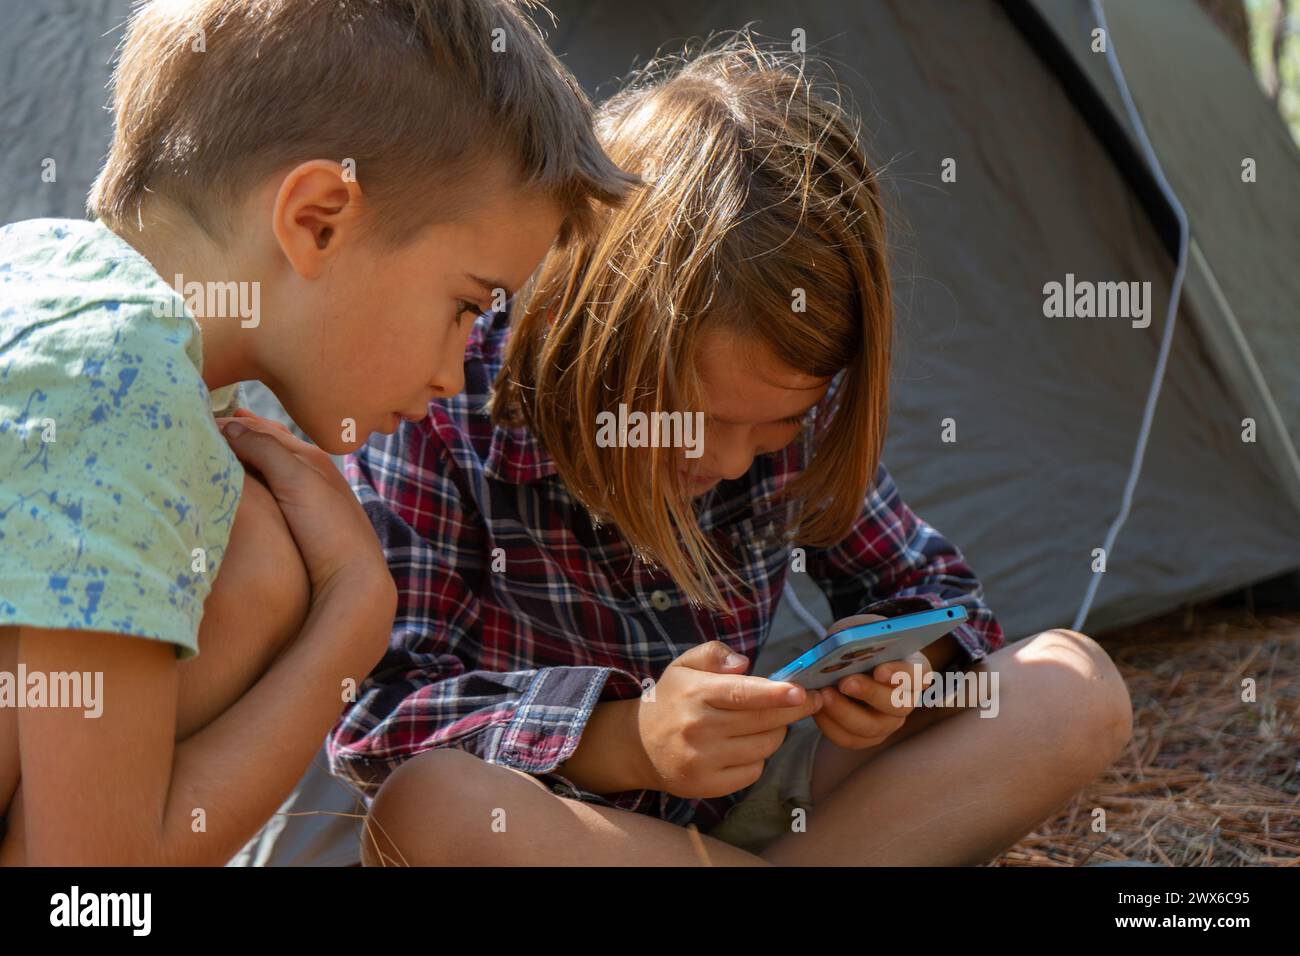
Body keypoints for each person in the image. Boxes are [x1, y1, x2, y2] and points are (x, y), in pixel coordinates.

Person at [328, 38, 1134, 866]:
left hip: (764, 808)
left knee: (1073, 686)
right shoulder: (440, 406)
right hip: (569, 836)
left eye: (779, 427)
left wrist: (902, 673)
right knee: (428, 806)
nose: (736, 463)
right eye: (696, 418)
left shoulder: (778, 408)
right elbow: (377, 721)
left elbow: (933, 593)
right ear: (603, 339)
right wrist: (629, 740)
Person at [0, 0, 633, 865]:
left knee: (255, 554)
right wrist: (353, 617)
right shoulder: (119, 379)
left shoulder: (42, 278)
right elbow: (83, 899)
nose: (457, 374)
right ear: (318, 219)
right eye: (465, 306)